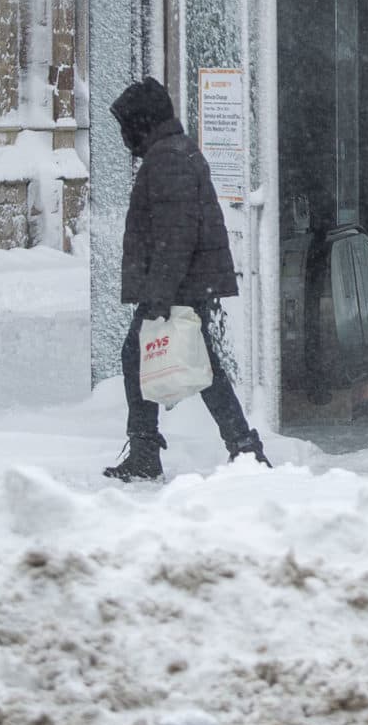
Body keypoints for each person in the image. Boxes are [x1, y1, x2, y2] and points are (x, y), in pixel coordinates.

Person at [103, 77, 270, 482]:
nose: (124, 136)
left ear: (141, 123)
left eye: (126, 126)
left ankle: (153, 450)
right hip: (187, 282)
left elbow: (176, 234)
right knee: (200, 364)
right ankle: (242, 446)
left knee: (143, 357)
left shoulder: (167, 160)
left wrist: (159, 296)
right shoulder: (171, 152)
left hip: (179, 285)